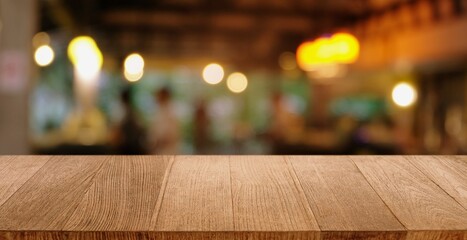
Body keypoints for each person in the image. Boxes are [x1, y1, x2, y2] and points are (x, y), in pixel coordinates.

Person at [114, 88, 147, 154]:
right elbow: (142, 127)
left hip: (128, 146)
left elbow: (118, 129)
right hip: (134, 145)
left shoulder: (123, 110)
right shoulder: (134, 111)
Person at [149, 87, 180, 154]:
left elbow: (172, 134)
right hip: (159, 150)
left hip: (167, 151)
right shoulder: (159, 110)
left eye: (159, 95)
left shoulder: (171, 111)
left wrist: (158, 142)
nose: (157, 98)